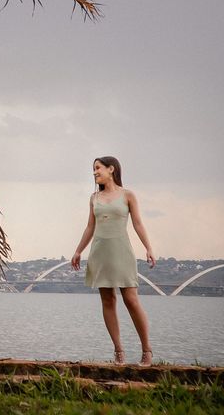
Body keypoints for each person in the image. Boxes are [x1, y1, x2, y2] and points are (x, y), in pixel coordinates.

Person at [70, 156, 156, 366]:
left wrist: (149, 248)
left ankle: (146, 350)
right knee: (108, 300)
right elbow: (90, 227)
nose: (94, 172)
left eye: (98, 168)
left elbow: (137, 223)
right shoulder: (94, 198)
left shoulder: (127, 195)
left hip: (121, 250)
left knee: (131, 299)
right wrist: (78, 250)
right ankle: (119, 351)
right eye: (93, 169)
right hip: (100, 251)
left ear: (111, 169)